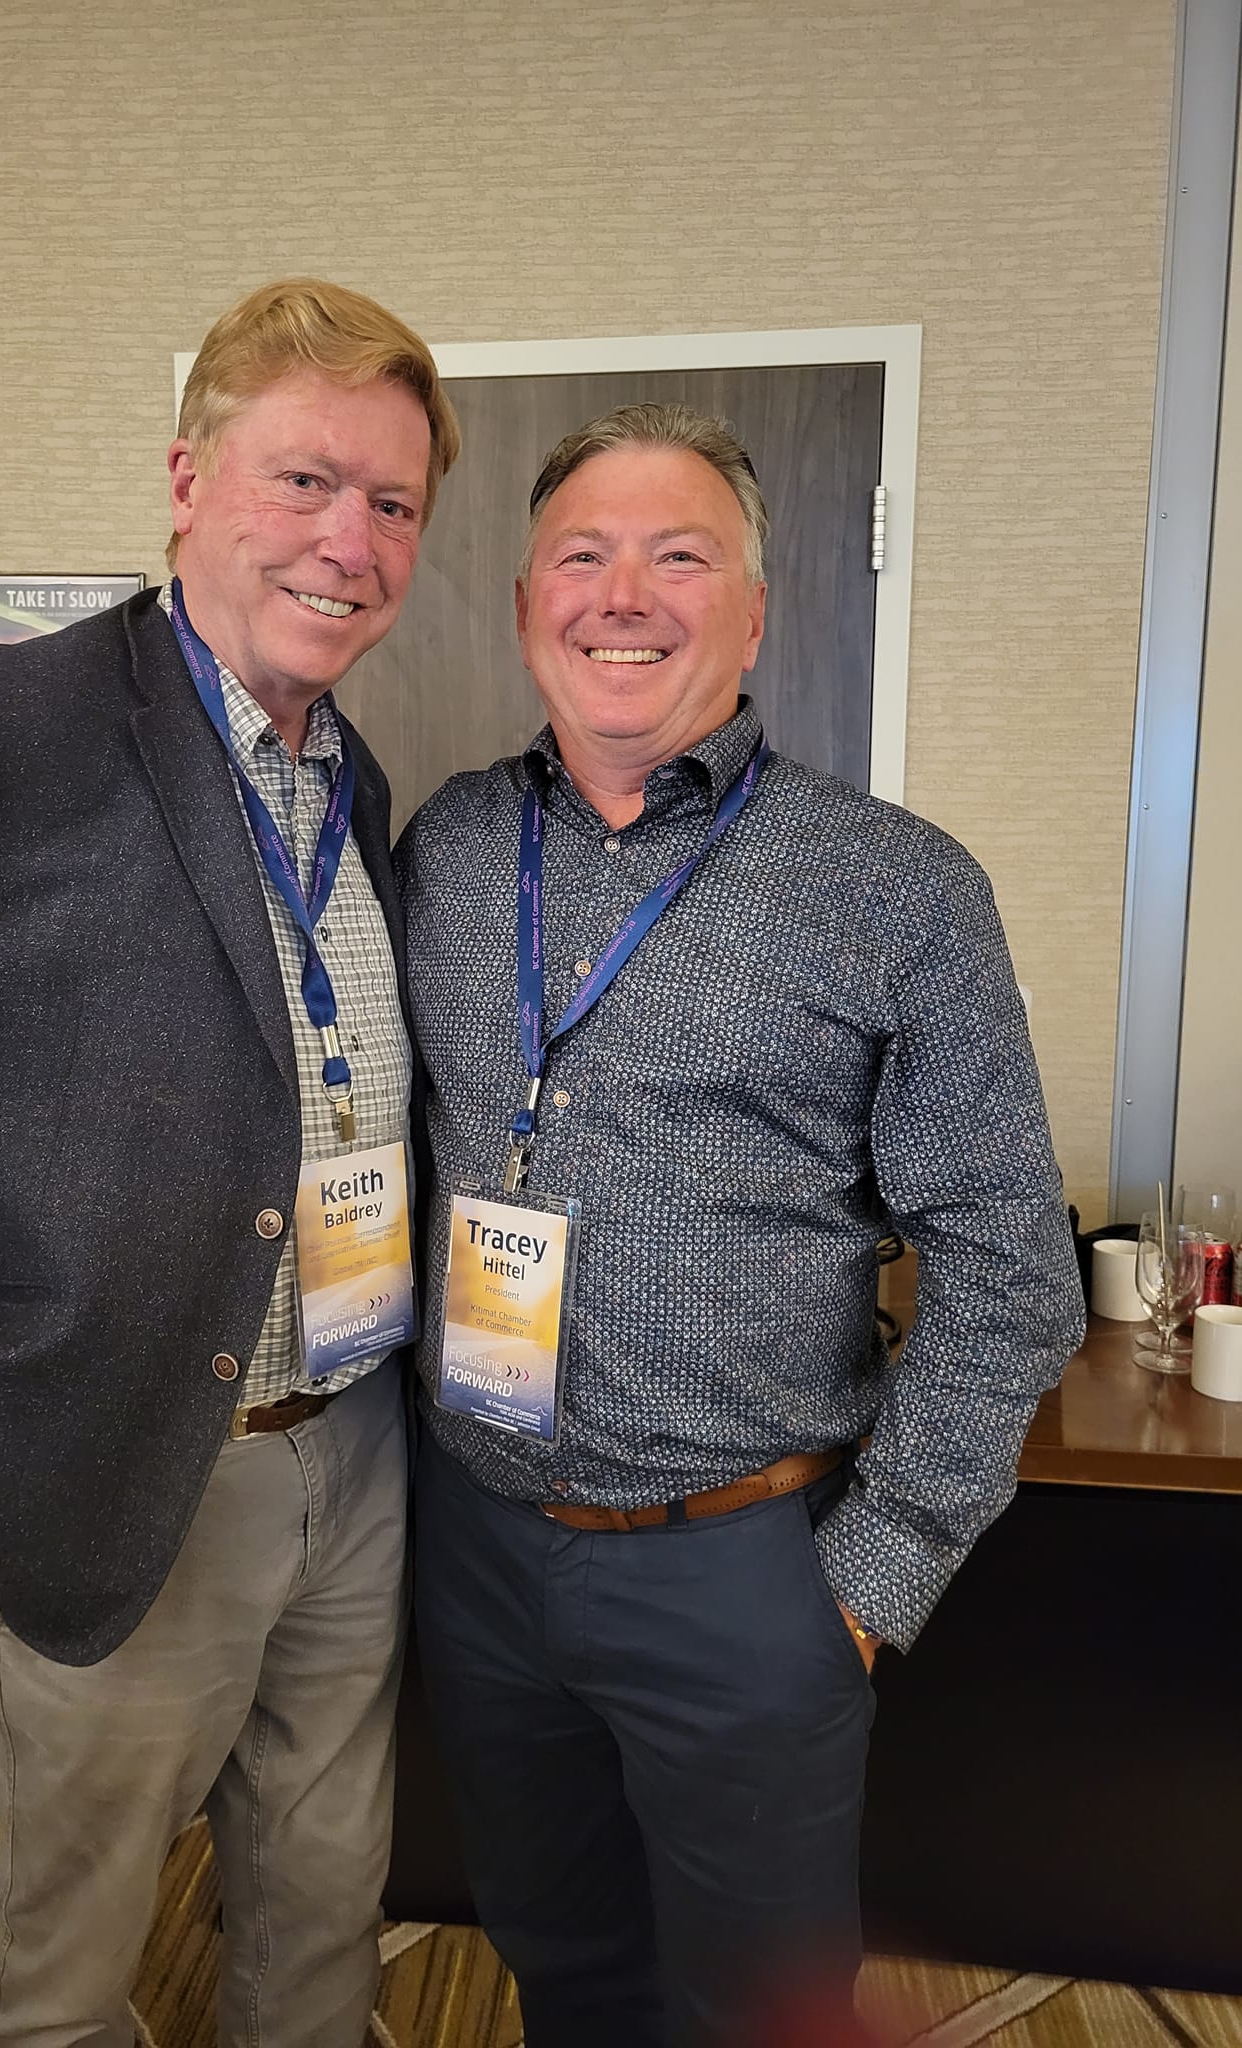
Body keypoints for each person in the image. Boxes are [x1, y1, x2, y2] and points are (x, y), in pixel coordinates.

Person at [0, 277, 459, 2047]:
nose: (347, 541)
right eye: (303, 481)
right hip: (106, 1458)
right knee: (72, 1951)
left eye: (394, 502)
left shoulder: (342, 775)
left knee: (322, 1891)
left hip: (351, 1444)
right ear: (187, 478)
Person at [395, 401, 1084, 2048]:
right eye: (583, 554)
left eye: (679, 554)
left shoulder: (897, 888)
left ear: (755, 613)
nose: (623, 592)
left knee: (755, 2012)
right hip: (479, 1547)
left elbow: (1011, 1267)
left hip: (746, 1574)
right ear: (523, 606)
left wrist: (868, 1574)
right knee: (558, 1969)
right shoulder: (446, 850)